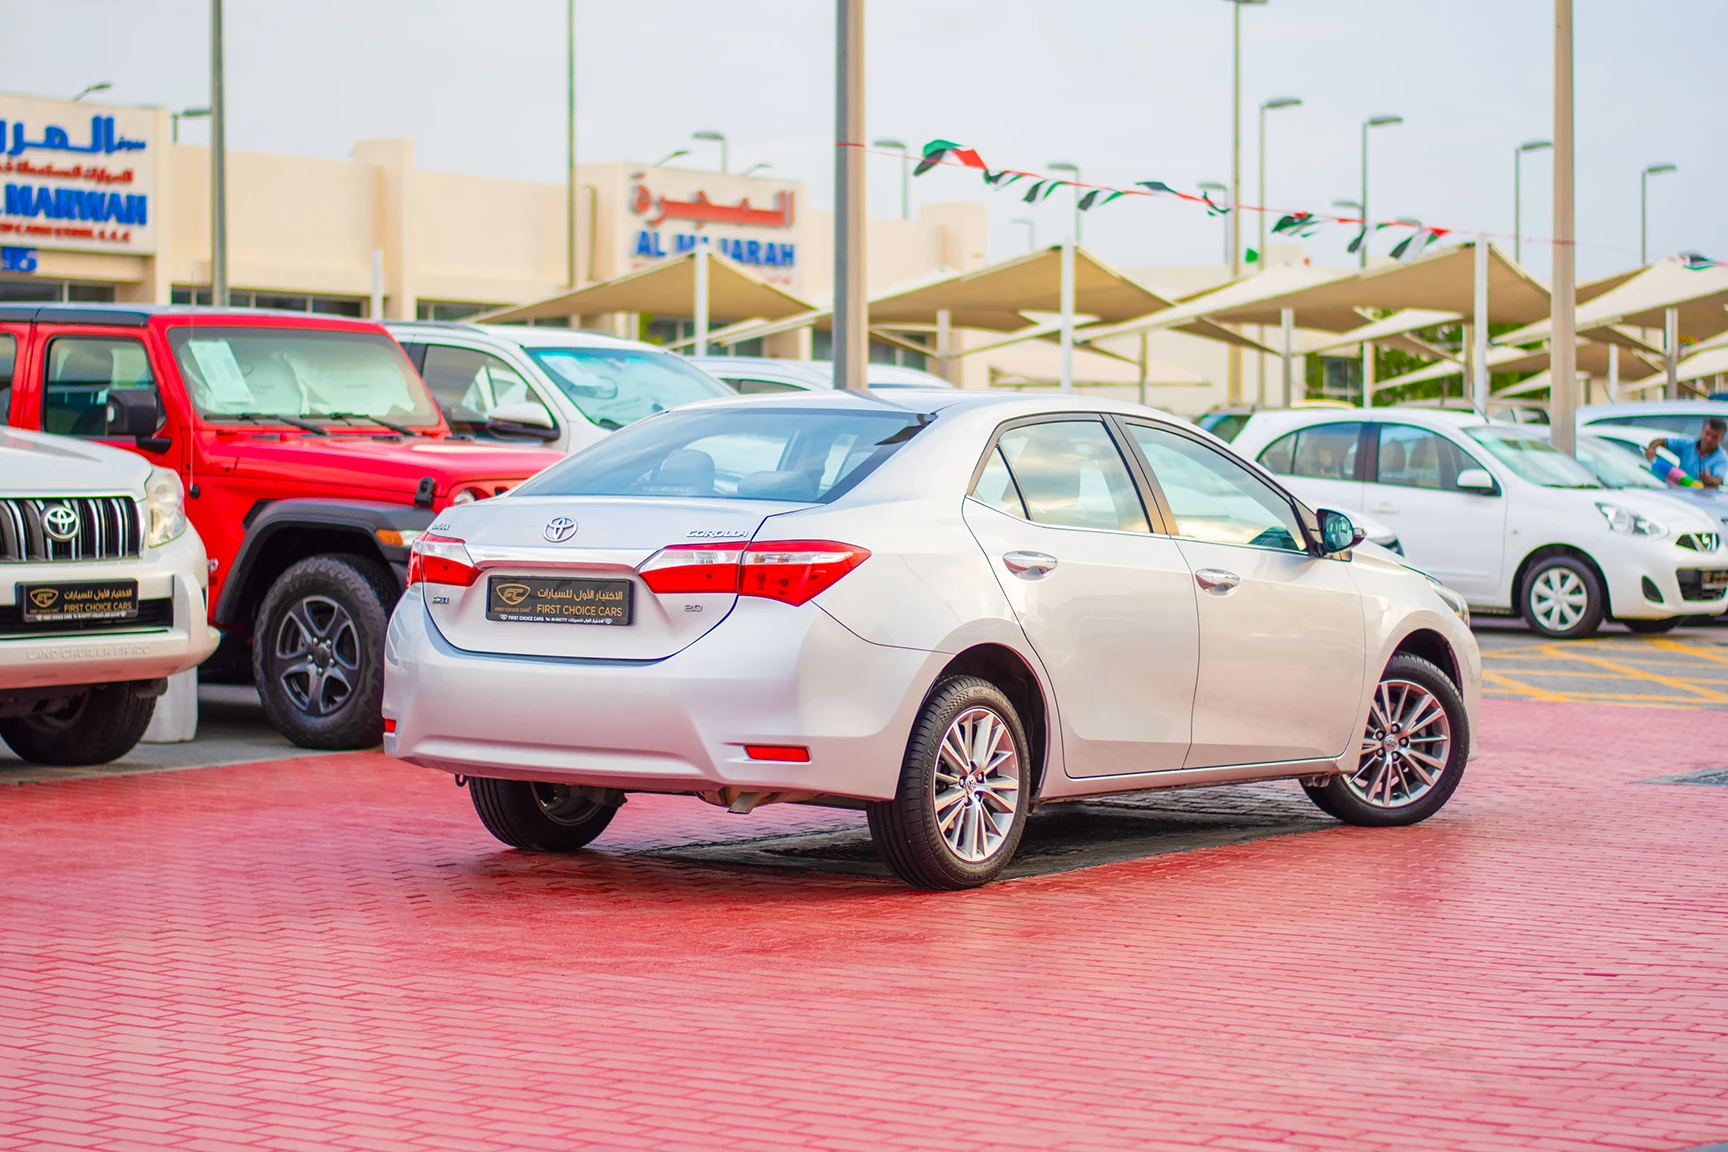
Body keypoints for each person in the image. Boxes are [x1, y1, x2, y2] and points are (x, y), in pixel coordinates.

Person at [1646, 416, 1728, 488]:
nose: (1709, 439)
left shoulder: (1722, 458)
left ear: (1722, 439)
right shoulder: (1687, 444)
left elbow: (1718, 480)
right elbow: (1659, 441)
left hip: (1704, 497)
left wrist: (1709, 480)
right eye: (1707, 433)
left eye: (1715, 437)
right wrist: (1651, 449)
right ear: (1702, 431)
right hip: (1680, 491)